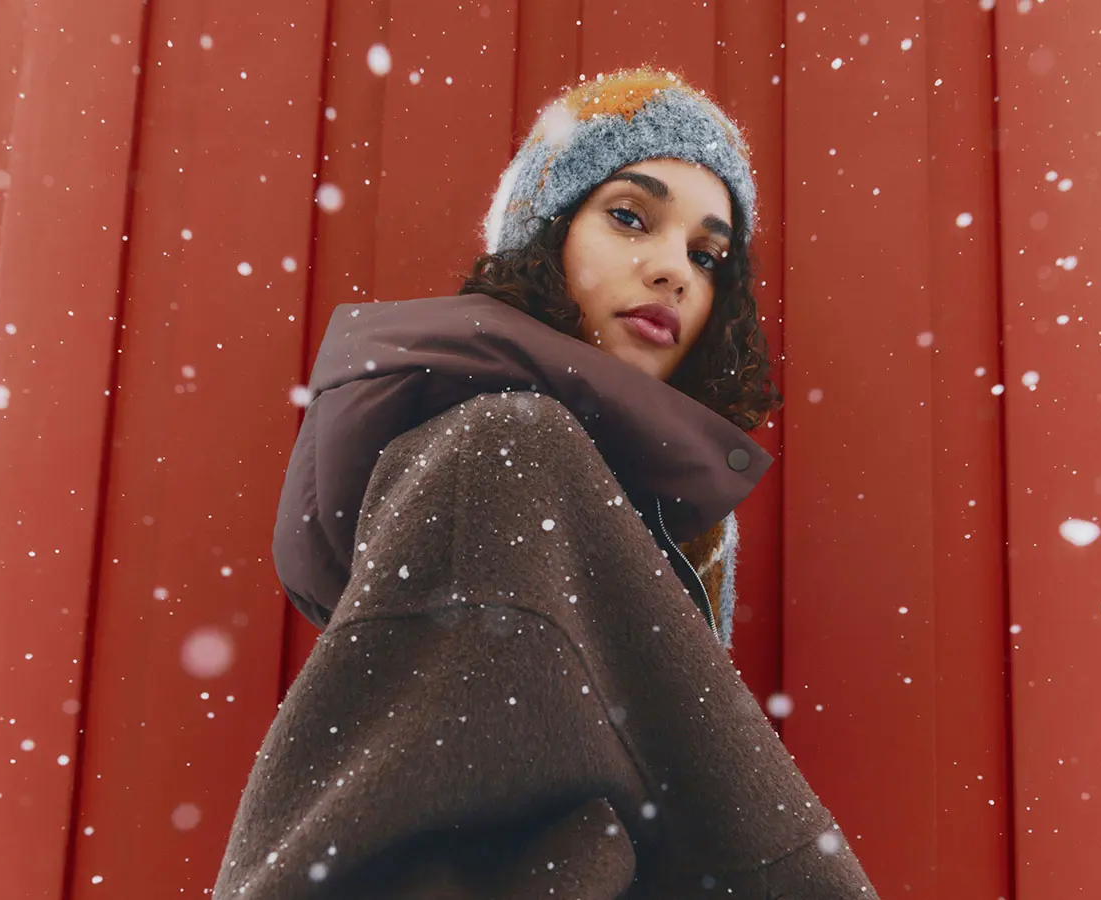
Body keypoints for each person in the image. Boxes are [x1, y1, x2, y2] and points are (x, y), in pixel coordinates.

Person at [212, 65, 880, 899]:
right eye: (632, 216)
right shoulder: (505, 447)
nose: (675, 269)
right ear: (544, 231)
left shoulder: (659, 516)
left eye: (708, 255)